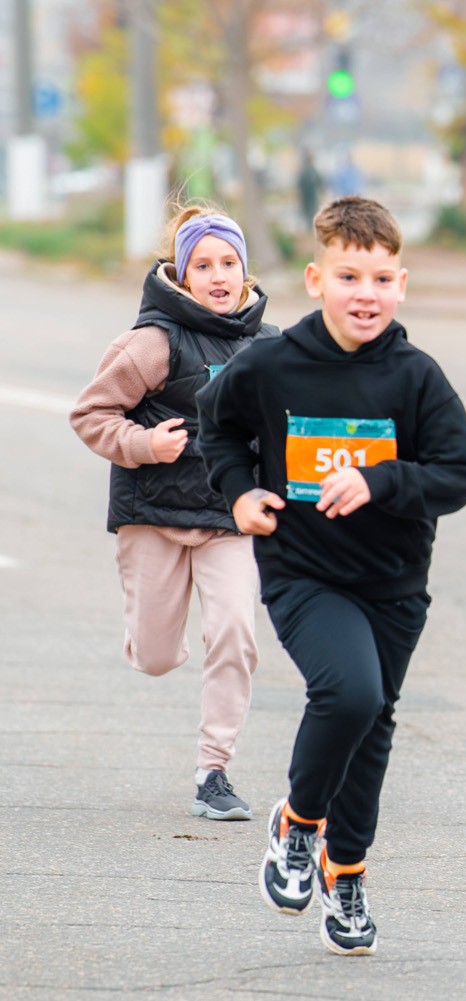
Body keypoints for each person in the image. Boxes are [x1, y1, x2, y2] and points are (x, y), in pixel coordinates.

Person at [197, 196, 466, 955]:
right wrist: (239, 491)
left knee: (374, 721)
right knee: (348, 691)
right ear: (317, 276)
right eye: (350, 275)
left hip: (392, 583)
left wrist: (382, 480)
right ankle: (298, 822)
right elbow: (214, 424)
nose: (367, 293)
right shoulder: (271, 363)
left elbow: (458, 472)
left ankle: (346, 872)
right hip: (303, 571)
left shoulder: (417, 377)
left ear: (403, 283)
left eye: (382, 278)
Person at [70, 204, 274, 823]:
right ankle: (156, 631)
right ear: (182, 277)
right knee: (157, 656)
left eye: (229, 263)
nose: (218, 275)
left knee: (236, 632)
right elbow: (91, 416)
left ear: (245, 270)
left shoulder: (269, 348)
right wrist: (144, 445)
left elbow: (292, 430)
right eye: (203, 265)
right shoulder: (153, 344)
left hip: (229, 518)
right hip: (153, 512)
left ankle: (214, 770)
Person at [296, 149, 323, 231]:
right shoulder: (308, 171)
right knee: (310, 212)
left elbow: (319, 182)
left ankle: (310, 228)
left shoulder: (308, 170)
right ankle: (310, 228)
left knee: (310, 212)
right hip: (308, 196)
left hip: (310, 196)